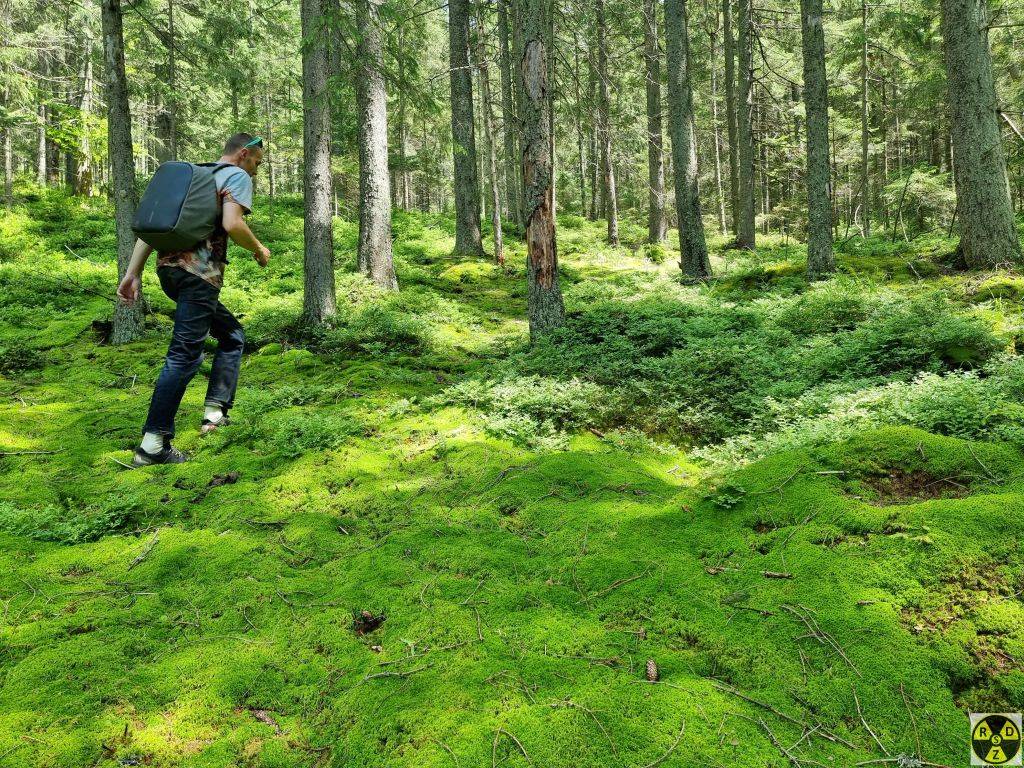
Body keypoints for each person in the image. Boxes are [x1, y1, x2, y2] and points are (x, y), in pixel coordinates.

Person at [117, 132, 272, 466]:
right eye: (257, 162)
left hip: (170, 273)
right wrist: (259, 249)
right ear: (244, 154)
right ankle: (153, 445)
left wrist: (133, 273)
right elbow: (232, 223)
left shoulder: (198, 175)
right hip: (199, 277)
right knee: (184, 356)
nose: (257, 170)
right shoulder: (236, 176)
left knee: (232, 335)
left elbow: (153, 228)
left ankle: (214, 414)